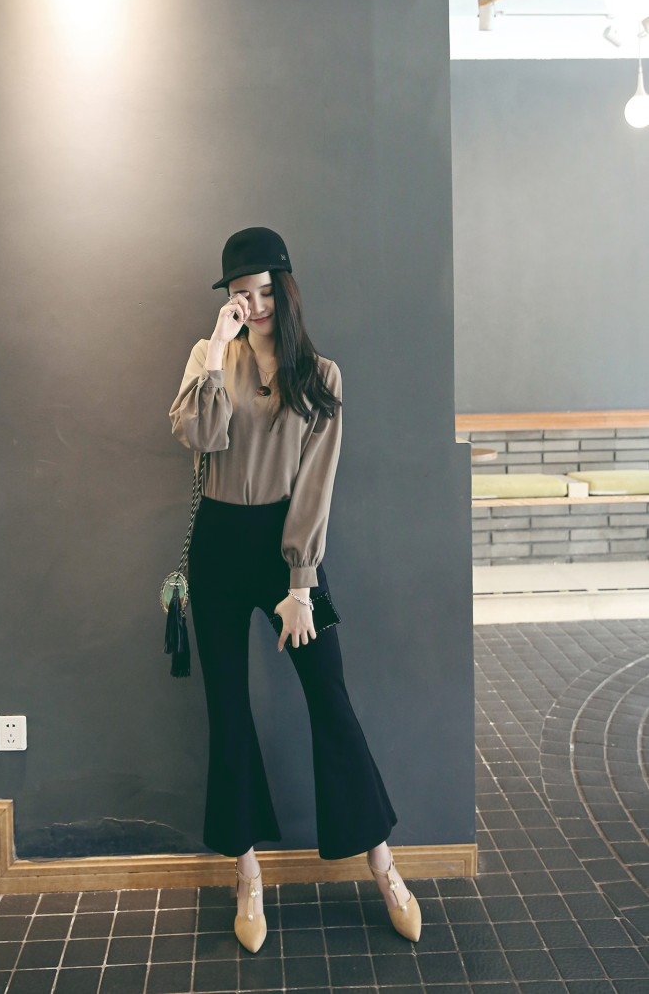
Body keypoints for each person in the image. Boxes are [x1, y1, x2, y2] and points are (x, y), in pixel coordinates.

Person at [168, 226, 421, 953]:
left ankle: (384, 866)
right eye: (240, 294)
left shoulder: (322, 375)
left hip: (288, 548)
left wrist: (302, 582)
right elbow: (198, 436)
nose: (254, 304)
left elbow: (316, 485)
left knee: (330, 698)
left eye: (264, 291)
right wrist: (216, 352)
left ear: (284, 289)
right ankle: (246, 873)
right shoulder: (210, 355)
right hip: (218, 543)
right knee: (228, 708)